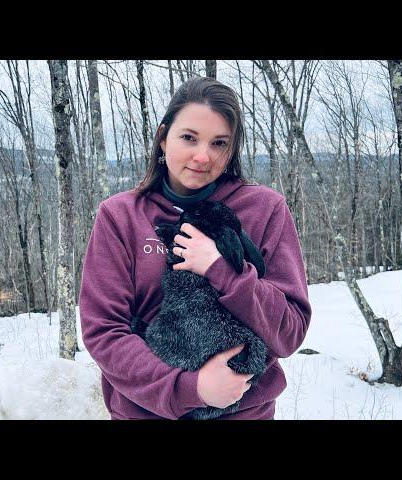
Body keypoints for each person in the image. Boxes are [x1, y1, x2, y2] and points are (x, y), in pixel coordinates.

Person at [79, 76, 312, 420]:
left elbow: (289, 332)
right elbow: (104, 331)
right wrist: (192, 388)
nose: (203, 156)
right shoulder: (121, 216)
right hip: (146, 412)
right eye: (189, 137)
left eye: (219, 143)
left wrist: (223, 271)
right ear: (163, 138)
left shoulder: (264, 209)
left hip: (244, 412)